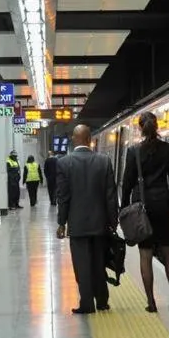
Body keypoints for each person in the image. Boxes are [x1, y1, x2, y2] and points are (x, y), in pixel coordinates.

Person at [121, 112, 169, 312]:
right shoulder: (167, 149)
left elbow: (127, 184)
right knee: (167, 250)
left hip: (141, 208)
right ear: (157, 126)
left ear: (140, 128)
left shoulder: (134, 152)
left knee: (145, 254)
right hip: (162, 205)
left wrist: (123, 210)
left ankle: (151, 303)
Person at [56, 125, 118, 314]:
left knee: (82, 265)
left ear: (75, 139)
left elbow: (63, 197)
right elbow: (111, 195)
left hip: (78, 224)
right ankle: (102, 301)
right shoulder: (104, 161)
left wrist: (61, 223)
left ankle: (87, 304)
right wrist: (112, 222)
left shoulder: (64, 163)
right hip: (100, 224)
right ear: (90, 139)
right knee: (99, 263)